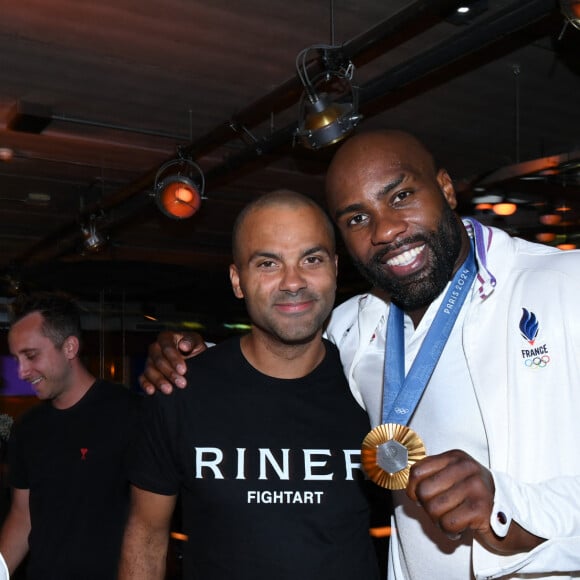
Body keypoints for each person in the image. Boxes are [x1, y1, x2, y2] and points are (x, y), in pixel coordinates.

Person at [141, 129, 580, 580]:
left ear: (446, 189)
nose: (385, 230)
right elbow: (281, 343)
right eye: (356, 219)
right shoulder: (357, 325)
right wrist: (189, 355)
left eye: (401, 195)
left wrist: (509, 509)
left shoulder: (566, 287)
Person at [118, 190, 380, 580]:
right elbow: (146, 536)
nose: (293, 282)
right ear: (237, 280)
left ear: (335, 269)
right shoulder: (180, 390)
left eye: (311, 259)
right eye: (268, 263)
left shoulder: (374, 387)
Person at [0, 292, 140, 579]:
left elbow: (151, 519)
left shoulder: (129, 413)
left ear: (70, 347)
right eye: (16, 359)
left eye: (31, 355)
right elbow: (22, 515)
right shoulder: (28, 427)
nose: (22, 372)